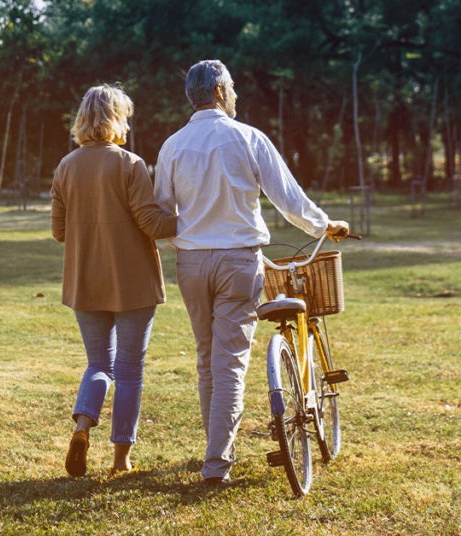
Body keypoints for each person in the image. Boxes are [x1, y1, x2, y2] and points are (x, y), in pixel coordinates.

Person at [155, 60, 349, 486]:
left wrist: (187, 240)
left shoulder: (172, 145)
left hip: (191, 263)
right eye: (234, 88)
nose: (237, 95)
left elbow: (162, 212)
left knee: (208, 359)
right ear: (221, 92)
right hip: (238, 261)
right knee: (230, 364)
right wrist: (324, 225)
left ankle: (214, 451)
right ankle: (216, 464)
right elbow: (288, 199)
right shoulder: (247, 137)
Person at [51, 84, 177, 477]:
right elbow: (153, 224)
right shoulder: (130, 164)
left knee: (98, 364)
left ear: (83, 119)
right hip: (132, 282)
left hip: (85, 282)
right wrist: (198, 214)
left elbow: (59, 231)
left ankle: (82, 425)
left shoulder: (65, 166)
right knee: (129, 370)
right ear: (117, 118)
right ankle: (121, 459)